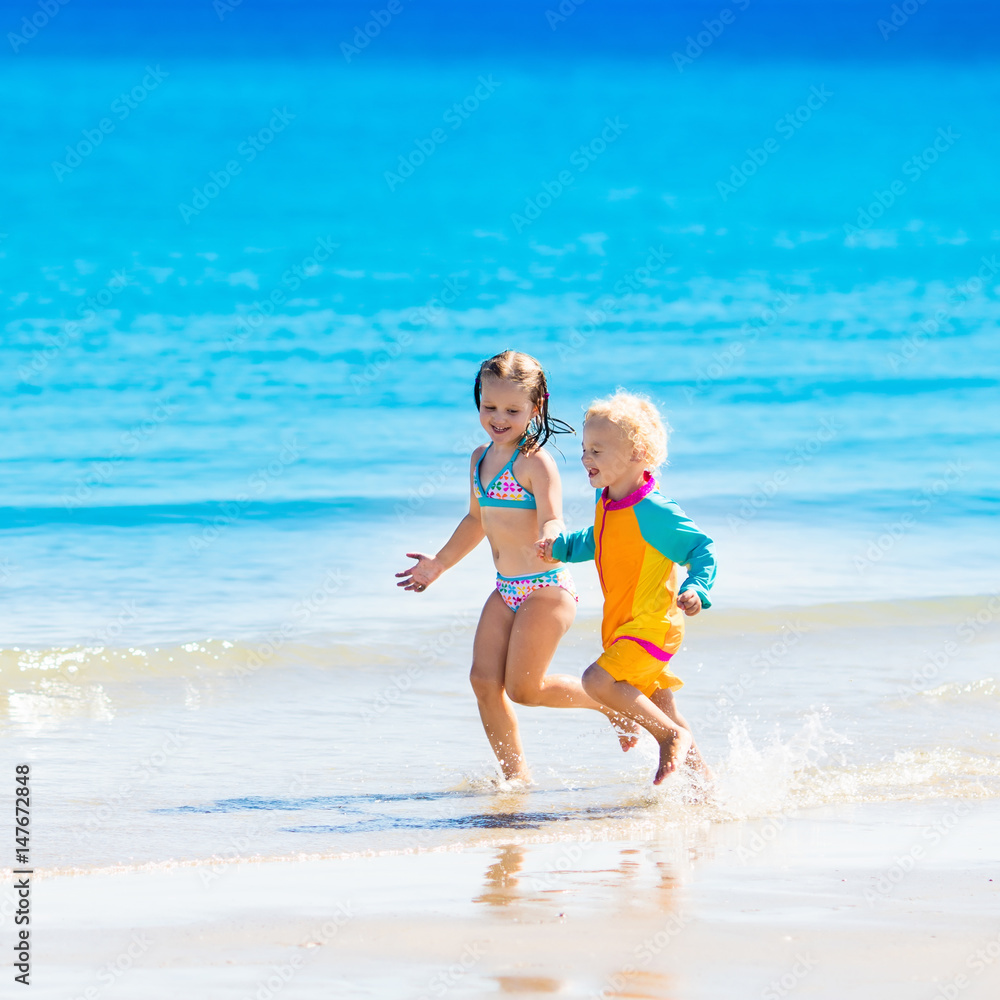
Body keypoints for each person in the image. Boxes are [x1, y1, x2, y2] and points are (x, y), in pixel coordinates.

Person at [396, 351, 638, 781]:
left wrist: (551, 534)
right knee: (483, 682)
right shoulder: (478, 459)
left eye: (512, 409)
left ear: (535, 408)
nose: (498, 418)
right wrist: (438, 565)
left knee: (525, 689)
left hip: (546, 588)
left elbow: (552, 514)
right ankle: (517, 778)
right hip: (506, 588)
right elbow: (476, 520)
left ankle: (609, 703)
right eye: (489, 407)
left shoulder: (534, 462)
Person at [537, 390, 716, 785]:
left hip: (652, 626)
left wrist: (698, 588)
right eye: (585, 448)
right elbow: (600, 539)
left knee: (596, 681)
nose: (585, 458)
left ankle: (670, 737)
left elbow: (701, 548)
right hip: (626, 626)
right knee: (661, 703)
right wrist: (564, 547)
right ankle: (706, 789)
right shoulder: (609, 499)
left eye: (598, 451)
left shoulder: (653, 510)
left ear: (636, 454)